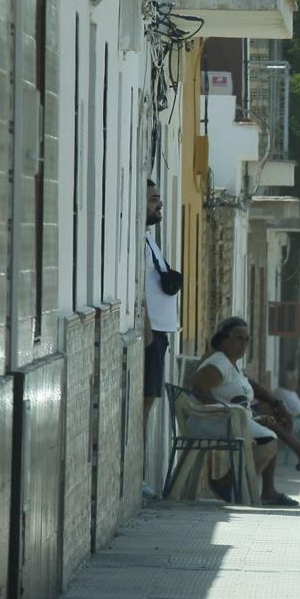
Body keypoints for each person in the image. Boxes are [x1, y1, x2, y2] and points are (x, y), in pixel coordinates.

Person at [189, 318, 300, 506]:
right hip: (213, 421)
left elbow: (251, 386)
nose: (243, 344)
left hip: (234, 418)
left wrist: (276, 404)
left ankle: (266, 488)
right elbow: (199, 389)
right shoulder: (217, 363)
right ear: (223, 339)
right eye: (238, 338)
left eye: (247, 339)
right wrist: (225, 413)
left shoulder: (232, 363)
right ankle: (229, 482)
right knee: (269, 439)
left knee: (269, 420)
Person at [143, 180, 179, 423]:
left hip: (159, 332)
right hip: (151, 332)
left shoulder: (148, 239)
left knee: (151, 395)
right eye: (153, 199)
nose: (160, 204)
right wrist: (146, 329)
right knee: (146, 396)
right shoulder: (139, 242)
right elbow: (138, 289)